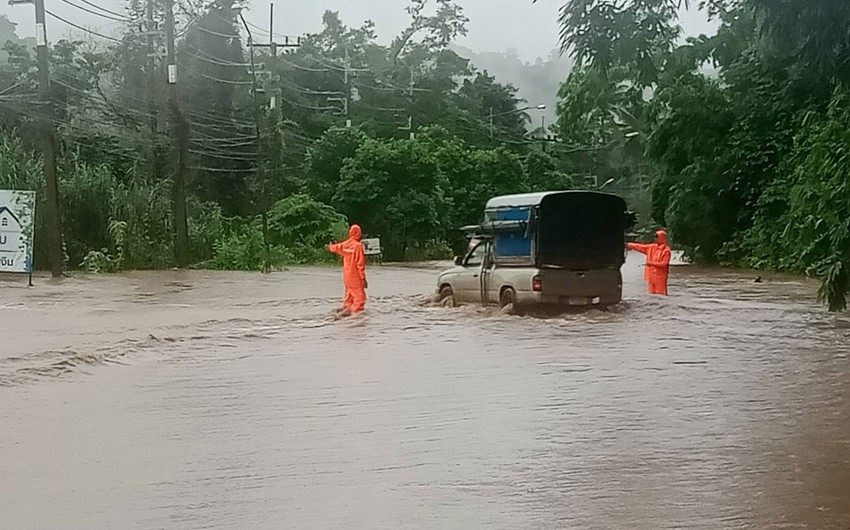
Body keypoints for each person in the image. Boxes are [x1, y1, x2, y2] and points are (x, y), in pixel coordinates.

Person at [327, 224, 368, 316]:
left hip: (347, 276)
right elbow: (360, 264)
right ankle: (355, 317)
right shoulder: (358, 246)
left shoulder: (345, 244)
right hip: (355, 276)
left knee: (349, 296)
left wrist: (330, 246)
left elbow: (335, 247)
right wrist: (363, 279)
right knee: (360, 298)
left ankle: (346, 309)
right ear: (359, 234)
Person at [627, 229, 671, 296]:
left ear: (661, 238)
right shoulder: (651, 247)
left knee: (661, 295)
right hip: (651, 276)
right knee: (651, 296)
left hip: (660, 278)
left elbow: (664, 264)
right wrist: (629, 245)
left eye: (657, 237)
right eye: (655, 237)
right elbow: (640, 247)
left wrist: (650, 263)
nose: (655, 239)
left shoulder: (666, 250)